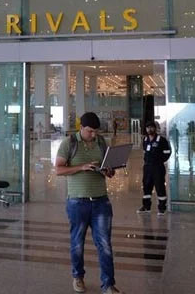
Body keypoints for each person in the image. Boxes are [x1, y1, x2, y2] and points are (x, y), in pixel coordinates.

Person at [55, 112, 122, 294]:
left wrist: (109, 171)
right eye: (90, 131)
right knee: (77, 242)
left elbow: (110, 173)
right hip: (77, 202)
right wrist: (81, 167)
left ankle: (108, 284)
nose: (93, 135)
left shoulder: (101, 142)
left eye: (96, 131)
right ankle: (78, 277)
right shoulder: (69, 144)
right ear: (81, 128)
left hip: (101, 201)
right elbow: (58, 170)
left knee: (105, 244)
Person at [137, 121, 172, 215]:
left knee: (159, 187)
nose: (149, 129)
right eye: (147, 128)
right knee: (146, 187)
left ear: (155, 128)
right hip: (147, 167)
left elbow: (167, 152)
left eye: (151, 127)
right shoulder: (145, 140)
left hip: (158, 168)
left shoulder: (161, 140)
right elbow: (145, 152)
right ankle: (146, 207)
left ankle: (162, 208)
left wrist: (159, 160)